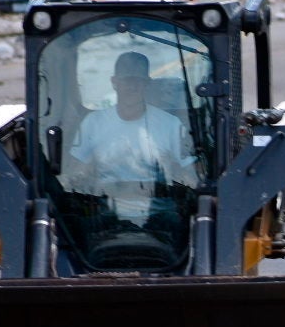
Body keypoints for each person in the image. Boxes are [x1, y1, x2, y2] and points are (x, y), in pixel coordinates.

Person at [70, 51, 196, 217]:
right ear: (114, 82)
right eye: (126, 80)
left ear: (147, 83)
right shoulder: (93, 123)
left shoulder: (171, 125)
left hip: (160, 213)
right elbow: (75, 172)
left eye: (138, 80)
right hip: (104, 213)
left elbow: (190, 175)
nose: (132, 86)